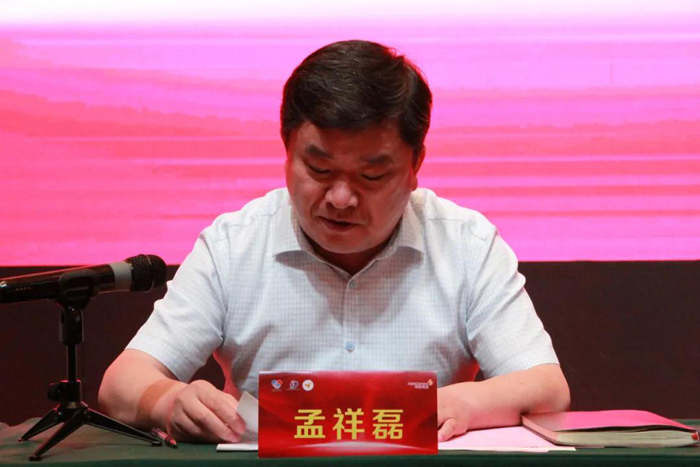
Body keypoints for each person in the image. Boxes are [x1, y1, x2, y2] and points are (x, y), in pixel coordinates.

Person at [98, 40, 570, 444]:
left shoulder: (465, 244)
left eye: (372, 175)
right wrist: (170, 400)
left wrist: (463, 403)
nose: (341, 198)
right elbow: (121, 384)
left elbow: (547, 386)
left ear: (415, 165)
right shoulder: (233, 245)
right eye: (319, 169)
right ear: (287, 151)